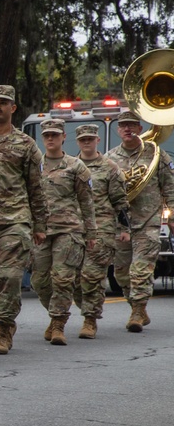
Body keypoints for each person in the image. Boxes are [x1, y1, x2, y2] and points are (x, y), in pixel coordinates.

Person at [0, 85, 47, 356]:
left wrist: (40, 225)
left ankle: (4, 328)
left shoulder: (25, 144)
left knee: (10, 276)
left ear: (13, 108)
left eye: (3, 102)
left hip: (16, 219)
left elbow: (36, 187)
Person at [105, 110, 174, 332]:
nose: (127, 129)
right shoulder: (109, 158)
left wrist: (172, 215)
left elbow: (170, 187)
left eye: (132, 125)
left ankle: (137, 311)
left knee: (141, 269)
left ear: (139, 129)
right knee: (121, 273)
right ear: (118, 130)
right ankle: (137, 305)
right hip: (121, 223)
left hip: (148, 220)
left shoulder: (156, 154)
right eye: (123, 125)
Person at [31, 118, 96, 345]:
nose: (50, 139)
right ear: (42, 137)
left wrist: (91, 233)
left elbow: (87, 203)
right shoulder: (33, 164)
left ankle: (58, 323)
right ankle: (54, 313)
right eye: (47, 135)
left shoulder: (75, 166)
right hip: (40, 230)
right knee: (39, 280)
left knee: (63, 278)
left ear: (63, 137)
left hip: (68, 230)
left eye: (55, 135)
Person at [74, 124, 129, 339]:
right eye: (83, 139)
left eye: (90, 139)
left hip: (102, 228)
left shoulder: (110, 167)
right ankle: (86, 307)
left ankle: (90, 319)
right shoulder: (70, 165)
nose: (87, 142)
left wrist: (124, 228)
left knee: (92, 276)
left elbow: (120, 200)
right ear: (78, 142)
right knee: (70, 278)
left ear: (97, 140)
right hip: (74, 227)